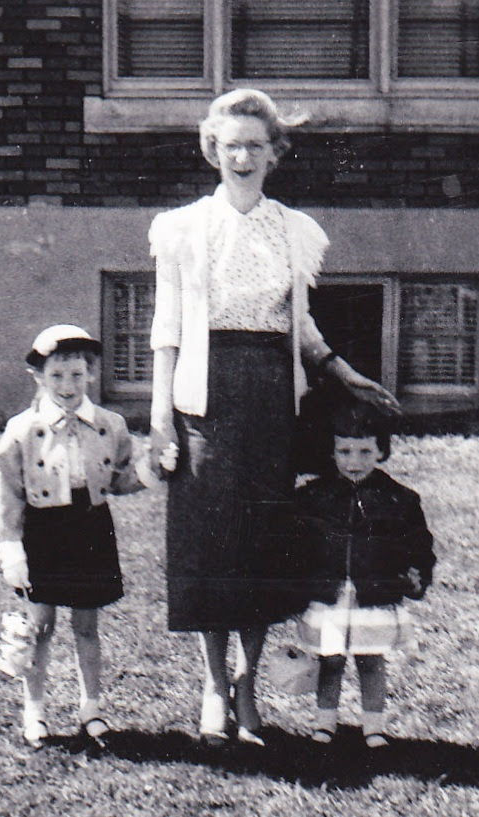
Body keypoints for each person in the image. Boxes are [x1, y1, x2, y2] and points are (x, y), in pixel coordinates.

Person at [148, 88, 401, 747]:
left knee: (262, 539)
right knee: (209, 539)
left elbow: (298, 323)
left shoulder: (291, 229)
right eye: (229, 145)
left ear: (274, 154)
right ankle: (210, 682)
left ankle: (247, 683)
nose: (240, 156)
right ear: (212, 150)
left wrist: (340, 370)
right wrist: (158, 416)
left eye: (253, 146)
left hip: (270, 396)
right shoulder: (180, 229)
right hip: (203, 396)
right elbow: (166, 328)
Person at [0, 324, 144, 748]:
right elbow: (9, 496)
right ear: (39, 378)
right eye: (56, 376)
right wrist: (13, 551)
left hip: (90, 528)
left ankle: (91, 708)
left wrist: (153, 471)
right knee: (40, 627)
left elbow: (121, 478)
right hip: (44, 531)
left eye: (77, 375)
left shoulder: (108, 425)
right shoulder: (22, 430)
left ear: (91, 374)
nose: (67, 385)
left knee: (87, 625)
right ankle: (35, 711)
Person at [294, 401, 435, 748]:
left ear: (381, 451)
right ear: (331, 451)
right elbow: (298, 549)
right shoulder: (313, 498)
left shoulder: (399, 500)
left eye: (364, 451)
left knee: (371, 661)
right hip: (329, 595)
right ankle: (325, 723)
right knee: (331, 661)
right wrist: (296, 587)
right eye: (343, 451)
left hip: (373, 596)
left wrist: (417, 575)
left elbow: (418, 546)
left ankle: (374, 727)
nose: (353, 461)